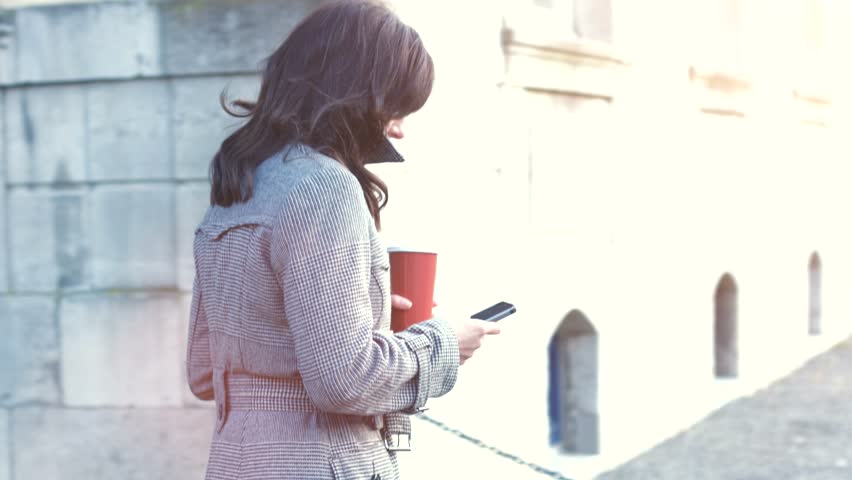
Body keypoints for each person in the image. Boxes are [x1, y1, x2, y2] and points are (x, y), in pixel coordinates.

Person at [185, 1, 501, 478]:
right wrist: (443, 343)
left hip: (236, 460)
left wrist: (360, 316)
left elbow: (205, 370)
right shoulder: (323, 186)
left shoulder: (239, 187)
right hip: (321, 461)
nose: (398, 129)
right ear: (357, 93)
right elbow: (344, 380)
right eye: (397, 106)